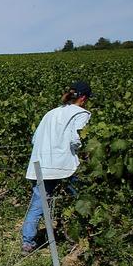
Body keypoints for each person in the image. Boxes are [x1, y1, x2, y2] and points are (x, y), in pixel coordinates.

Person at [21, 81, 91, 253]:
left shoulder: (50, 113)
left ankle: (27, 242)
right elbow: (77, 139)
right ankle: (86, 235)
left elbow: (34, 139)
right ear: (83, 98)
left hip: (42, 165)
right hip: (66, 165)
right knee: (81, 198)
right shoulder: (81, 113)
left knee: (38, 203)